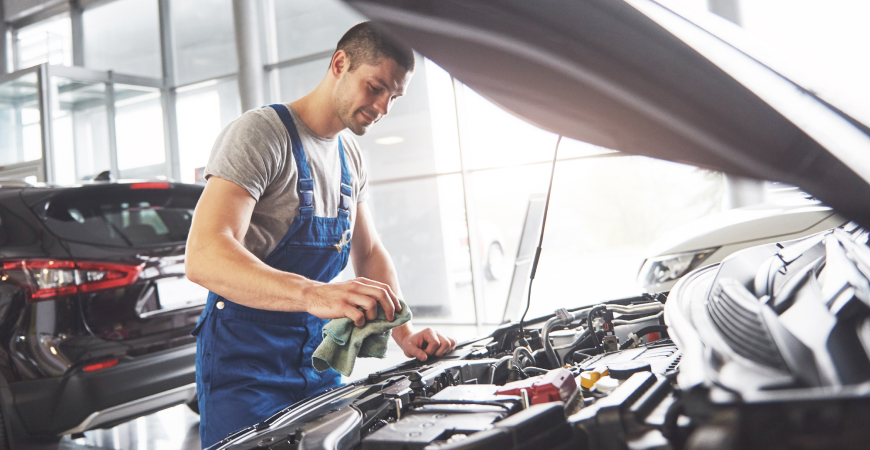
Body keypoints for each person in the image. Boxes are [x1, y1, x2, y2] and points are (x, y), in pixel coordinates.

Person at [185, 22, 456, 448]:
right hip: (244, 365)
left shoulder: (350, 154)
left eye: (394, 97)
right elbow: (204, 254)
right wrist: (315, 295)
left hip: (317, 357)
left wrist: (404, 331)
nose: (383, 107)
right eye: (375, 87)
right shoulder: (261, 135)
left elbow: (369, 253)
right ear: (340, 63)